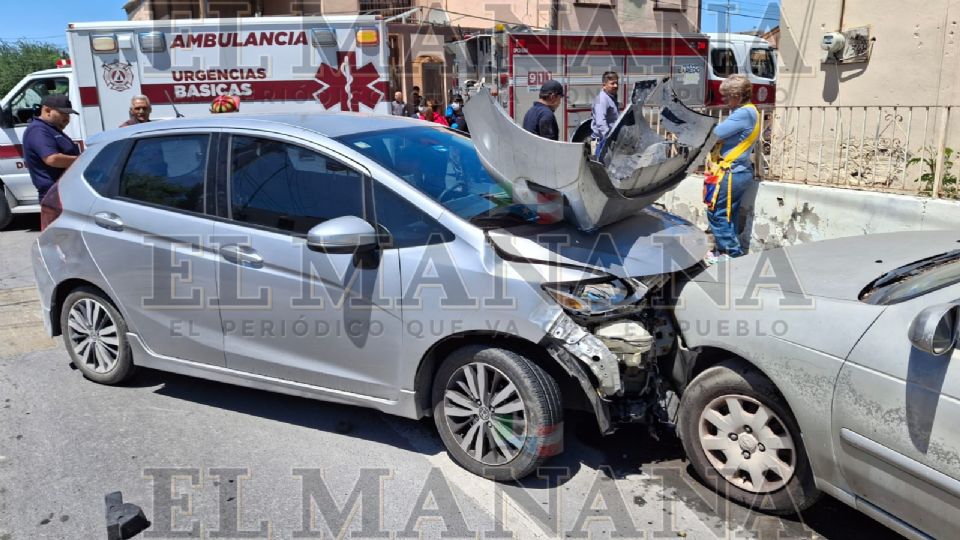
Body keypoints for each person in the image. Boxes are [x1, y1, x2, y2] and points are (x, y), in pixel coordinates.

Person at [703, 74, 760, 262]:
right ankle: (724, 251)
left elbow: (714, 135)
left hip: (730, 172)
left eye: (727, 95)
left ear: (737, 95)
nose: (724, 99)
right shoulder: (750, 111)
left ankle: (732, 253)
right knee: (729, 214)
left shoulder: (743, 113)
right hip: (739, 171)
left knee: (716, 212)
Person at [22, 94, 80, 201]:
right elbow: (52, 159)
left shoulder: (52, 129)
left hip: (65, 193)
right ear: (47, 111)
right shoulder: (38, 130)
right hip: (55, 196)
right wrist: (84, 160)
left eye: (68, 114)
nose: (67, 118)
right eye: (63, 113)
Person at [590, 71, 619, 157]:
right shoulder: (602, 99)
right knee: (600, 168)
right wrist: (609, 139)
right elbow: (601, 122)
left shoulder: (610, 97)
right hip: (600, 142)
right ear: (604, 85)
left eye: (617, 83)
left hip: (604, 140)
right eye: (612, 83)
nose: (616, 86)